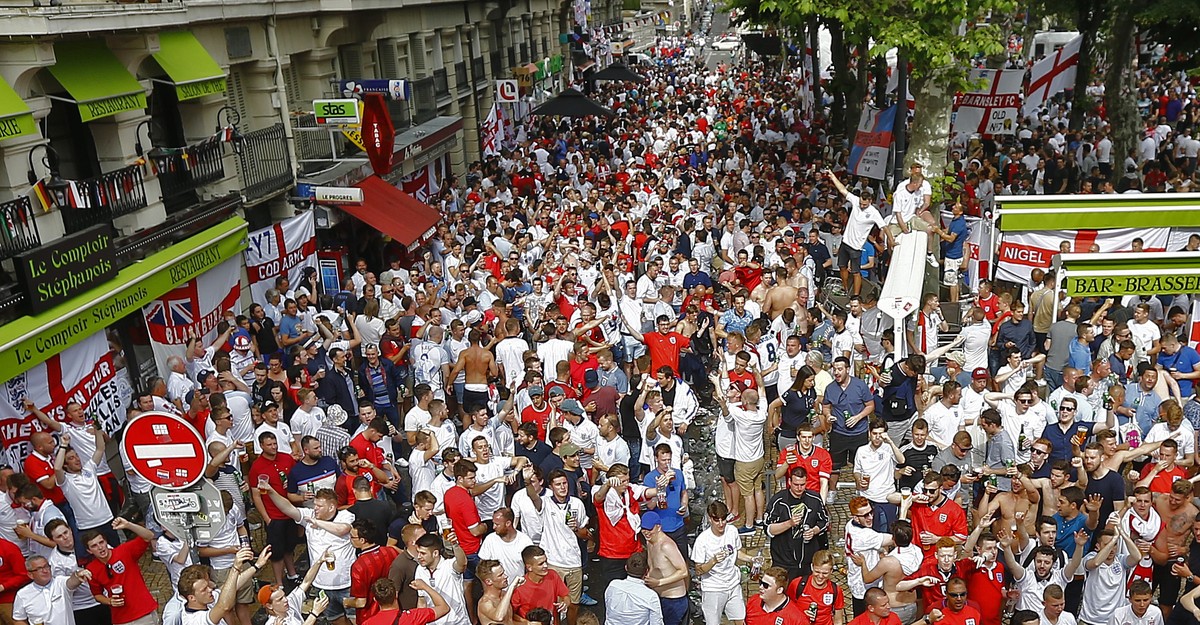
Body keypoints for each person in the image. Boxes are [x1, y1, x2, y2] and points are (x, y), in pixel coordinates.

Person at [260, 487, 355, 625]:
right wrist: (270, 491)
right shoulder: (309, 515)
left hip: (347, 584)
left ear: (331, 507)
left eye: (319, 506)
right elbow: (287, 508)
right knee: (336, 620)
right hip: (322, 585)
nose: (315, 508)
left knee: (356, 619)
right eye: (315, 504)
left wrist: (316, 523)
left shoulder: (344, 515)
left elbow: (342, 529)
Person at [83, 518, 161, 625]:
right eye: (94, 546)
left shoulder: (124, 551)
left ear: (106, 542)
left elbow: (149, 536)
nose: (100, 547)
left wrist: (128, 525)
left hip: (144, 613)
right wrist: (109, 601)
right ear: (89, 551)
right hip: (121, 619)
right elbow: (97, 595)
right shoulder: (92, 569)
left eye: (101, 542)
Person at [764, 465, 829, 579]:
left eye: (802, 485)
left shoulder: (814, 498)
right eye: (796, 485)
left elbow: (824, 521)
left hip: (808, 559)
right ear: (789, 482)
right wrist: (789, 523)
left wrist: (813, 531)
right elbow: (768, 529)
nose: (799, 488)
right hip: (783, 560)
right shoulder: (778, 501)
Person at [177, 547, 269, 625]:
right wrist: (235, 568)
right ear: (192, 598)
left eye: (208, 586)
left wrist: (257, 565)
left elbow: (233, 585)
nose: (210, 590)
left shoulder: (206, 600)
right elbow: (224, 606)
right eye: (204, 589)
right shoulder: (195, 621)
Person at [693, 501, 751, 625]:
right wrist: (713, 561)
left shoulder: (732, 531)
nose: (721, 524)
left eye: (723, 519)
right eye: (716, 520)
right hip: (713, 589)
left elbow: (737, 552)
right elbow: (698, 570)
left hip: (733, 584)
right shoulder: (702, 541)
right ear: (710, 519)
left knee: (741, 620)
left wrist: (751, 559)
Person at [640, 511, 689, 625]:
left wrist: (659, 582)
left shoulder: (667, 546)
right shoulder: (649, 542)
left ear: (658, 527)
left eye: (649, 529)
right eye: (643, 529)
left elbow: (683, 571)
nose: (646, 532)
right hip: (657, 597)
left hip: (673, 600)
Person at [13, 555, 92, 625]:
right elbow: (18, 619)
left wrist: (78, 575)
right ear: (30, 575)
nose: (45, 571)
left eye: (46, 566)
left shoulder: (60, 582)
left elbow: (72, 581)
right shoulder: (23, 594)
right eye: (39, 569)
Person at [348, 520, 399, 625]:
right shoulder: (391, 552)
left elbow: (361, 602)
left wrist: (346, 602)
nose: (350, 539)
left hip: (369, 617)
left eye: (352, 537)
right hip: (392, 612)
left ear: (362, 540)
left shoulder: (359, 566)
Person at [412, 533, 469, 625]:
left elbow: (462, 564)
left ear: (435, 553)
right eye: (418, 552)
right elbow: (422, 600)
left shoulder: (449, 566)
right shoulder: (420, 569)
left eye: (423, 553)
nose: (419, 556)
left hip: (456, 622)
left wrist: (455, 545)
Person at [510, 546, 569, 624]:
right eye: (541, 564)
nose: (545, 566)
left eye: (545, 561)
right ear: (529, 567)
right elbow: (511, 614)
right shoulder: (519, 587)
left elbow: (566, 596)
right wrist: (528, 623)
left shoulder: (552, 575)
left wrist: (564, 603)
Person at [604, 552, 664, 625]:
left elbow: (608, 610)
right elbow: (656, 623)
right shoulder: (651, 596)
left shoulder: (613, 585)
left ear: (626, 567)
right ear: (647, 571)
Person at [360, 578, 448, 625]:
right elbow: (444, 608)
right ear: (396, 595)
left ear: (375, 600)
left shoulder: (367, 623)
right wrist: (425, 587)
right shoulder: (413, 617)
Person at [475, 560, 522, 625]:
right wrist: (511, 587)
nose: (505, 576)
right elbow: (499, 617)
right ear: (488, 581)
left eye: (503, 573)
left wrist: (528, 623)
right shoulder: (485, 603)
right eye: (500, 575)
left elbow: (509, 621)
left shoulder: (504, 594)